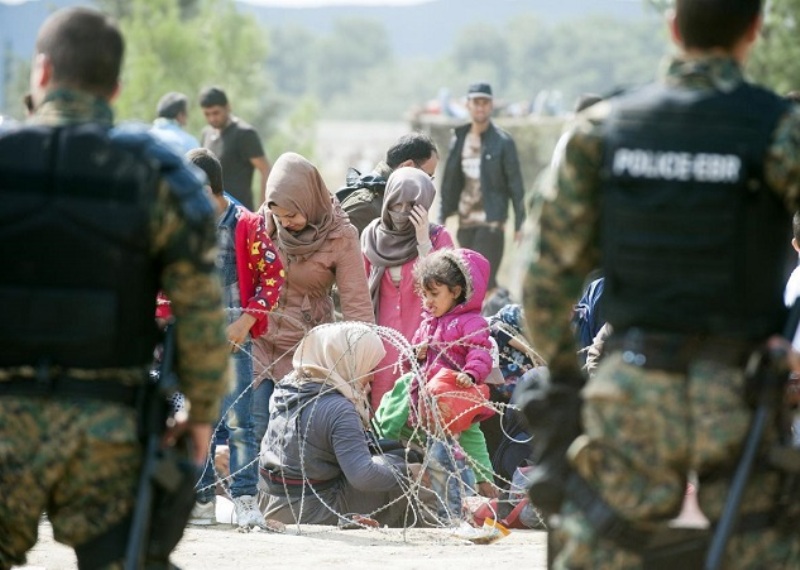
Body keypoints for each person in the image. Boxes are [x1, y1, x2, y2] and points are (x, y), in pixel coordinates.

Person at [520, 1, 800, 567]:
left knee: (604, 545)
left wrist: (570, 381)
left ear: (672, 28)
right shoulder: (779, 129)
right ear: (755, 30)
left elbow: (544, 278)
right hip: (741, 397)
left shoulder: (605, 129)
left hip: (629, 393)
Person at [0, 8, 229, 569]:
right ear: (118, 86)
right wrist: (201, 413)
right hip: (108, 430)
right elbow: (201, 307)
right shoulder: (155, 175)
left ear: (42, 71)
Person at [181, 148, 285, 530]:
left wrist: (245, 322)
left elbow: (273, 279)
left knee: (241, 422)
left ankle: (244, 499)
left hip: (235, 338)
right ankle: (202, 500)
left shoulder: (248, 225)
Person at [259, 322, 413, 527]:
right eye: (369, 367)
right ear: (350, 362)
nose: (373, 376)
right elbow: (362, 476)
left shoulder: (288, 388)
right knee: (400, 475)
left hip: (269, 502)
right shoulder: (338, 408)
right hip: (313, 510)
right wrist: (410, 472)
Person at [251, 153, 375, 399]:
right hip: (260, 343)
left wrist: (360, 366)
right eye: (280, 216)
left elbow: (357, 305)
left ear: (307, 200)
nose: (286, 224)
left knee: (295, 431)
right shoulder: (266, 221)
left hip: (306, 350)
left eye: (292, 216)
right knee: (254, 428)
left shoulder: (340, 236)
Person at [411, 248, 497, 523]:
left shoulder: (470, 322)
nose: (427, 301)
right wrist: (415, 355)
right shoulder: (426, 325)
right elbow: (410, 363)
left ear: (457, 291)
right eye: (424, 295)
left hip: (459, 402)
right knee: (440, 458)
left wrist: (471, 374)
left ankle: (488, 498)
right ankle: (449, 511)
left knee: (473, 448)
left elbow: (480, 351)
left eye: (434, 294)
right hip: (434, 407)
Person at [361, 166, 454, 409]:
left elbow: (447, 287)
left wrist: (423, 241)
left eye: (411, 207)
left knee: (420, 414)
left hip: (426, 345)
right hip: (381, 347)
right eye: (396, 205)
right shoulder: (371, 236)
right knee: (382, 419)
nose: (402, 213)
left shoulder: (438, 238)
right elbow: (358, 293)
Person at [438, 82, 526, 291]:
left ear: (491, 105)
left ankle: (486, 321)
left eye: (485, 103)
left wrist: (519, 223)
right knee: (468, 283)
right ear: (468, 105)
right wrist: (442, 216)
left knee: (480, 282)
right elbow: (450, 181)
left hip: (491, 224)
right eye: (476, 102)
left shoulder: (503, 142)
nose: (480, 107)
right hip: (465, 222)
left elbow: (516, 184)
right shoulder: (459, 139)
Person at [337, 132, 439, 235]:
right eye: (427, 176)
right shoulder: (367, 205)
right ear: (408, 166)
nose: (428, 184)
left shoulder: (387, 198)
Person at [199, 86, 270, 211]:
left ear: (228, 107)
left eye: (216, 113)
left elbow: (265, 169)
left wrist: (263, 210)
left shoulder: (244, 134)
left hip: (239, 216)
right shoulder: (206, 134)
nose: (212, 118)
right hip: (214, 215)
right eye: (207, 114)